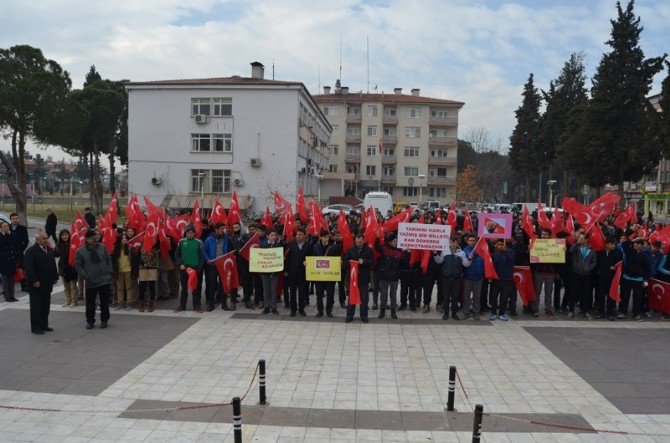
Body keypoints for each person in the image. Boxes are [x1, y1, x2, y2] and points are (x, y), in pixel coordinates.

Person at [75, 229, 113, 329]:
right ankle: (90, 321)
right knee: (90, 303)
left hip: (104, 279)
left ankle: (104, 320)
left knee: (104, 302)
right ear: (87, 239)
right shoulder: (80, 251)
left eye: (96, 237)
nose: (96, 239)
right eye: (93, 238)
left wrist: (109, 271)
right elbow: (78, 266)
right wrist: (86, 276)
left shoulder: (102, 247)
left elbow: (108, 259)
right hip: (91, 280)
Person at [23, 232, 59, 334]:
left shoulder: (49, 250)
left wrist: (55, 277)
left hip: (47, 283)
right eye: (43, 239)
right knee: (36, 307)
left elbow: (52, 264)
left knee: (45, 305)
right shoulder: (31, 251)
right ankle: (36, 327)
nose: (46, 240)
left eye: (46, 238)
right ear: (37, 240)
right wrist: (34, 280)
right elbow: (29, 268)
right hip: (36, 284)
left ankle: (44, 324)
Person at [434, 235, 472, 320]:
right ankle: (446, 313)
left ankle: (454, 313)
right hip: (446, 278)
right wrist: (435, 254)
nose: (453, 244)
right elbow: (439, 261)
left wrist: (469, 259)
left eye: (454, 242)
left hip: (456, 279)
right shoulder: (445, 251)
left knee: (455, 297)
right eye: (451, 242)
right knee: (446, 297)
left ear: (457, 243)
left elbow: (466, 264)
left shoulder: (461, 253)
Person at [375, 232, 407, 320]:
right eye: (394, 241)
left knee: (393, 296)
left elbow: (404, 261)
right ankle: (382, 311)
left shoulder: (400, 251)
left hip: (394, 278)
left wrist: (408, 251)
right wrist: (377, 238)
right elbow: (377, 247)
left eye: (396, 241)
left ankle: (393, 312)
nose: (395, 242)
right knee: (383, 296)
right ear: (389, 242)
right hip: (385, 277)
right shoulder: (385, 249)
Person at [343, 234, 375, 323]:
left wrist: (364, 262)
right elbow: (345, 262)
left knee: (364, 299)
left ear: (363, 241)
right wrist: (350, 262)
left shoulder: (369, 250)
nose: (359, 243)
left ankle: (364, 316)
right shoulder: (350, 250)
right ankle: (349, 316)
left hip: (363, 279)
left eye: (360, 242)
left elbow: (372, 262)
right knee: (351, 298)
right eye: (357, 242)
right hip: (353, 278)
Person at [311, 230, 342, 318]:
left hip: (330, 275)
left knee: (330, 294)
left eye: (327, 237)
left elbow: (338, 258)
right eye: (324, 237)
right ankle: (320, 311)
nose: (326, 239)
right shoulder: (315, 247)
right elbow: (312, 259)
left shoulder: (334, 247)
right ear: (320, 237)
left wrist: (340, 262)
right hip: (319, 275)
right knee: (319, 294)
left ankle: (329, 311)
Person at [175, 226, 205, 313]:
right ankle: (182, 306)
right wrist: (180, 264)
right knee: (184, 288)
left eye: (191, 233)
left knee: (196, 288)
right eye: (188, 233)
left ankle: (196, 306)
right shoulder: (181, 242)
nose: (190, 234)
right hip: (184, 269)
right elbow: (177, 255)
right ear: (186, 233)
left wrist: (199, 268)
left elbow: (201, 256)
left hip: (195, 269)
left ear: (194, 233)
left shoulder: (199, 242)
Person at [619, 238, 650, 321]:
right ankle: (623, 312)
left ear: (642, 246)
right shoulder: (629, 251)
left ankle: (636, 314)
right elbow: (624, 245)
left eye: (638, 244)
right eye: (635, 243)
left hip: (638, 279)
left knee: (637, 297)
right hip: (627, 277)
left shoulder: (644, 256)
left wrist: (646, 280)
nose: (636, 245)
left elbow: (647, 269)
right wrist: (632, 240)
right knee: (625, 296)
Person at [203, 222, 232, 311]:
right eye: (222, 229)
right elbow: (204, 251)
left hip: (223, 264)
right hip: (213, 264)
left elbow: (229, 250)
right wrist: (207, 259)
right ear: (216, 229)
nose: (223, 230)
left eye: (224, 229)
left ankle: (224, 303)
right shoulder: (209, 239)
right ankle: (211, 304)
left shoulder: (226, 238)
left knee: (223, 284)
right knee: (212, 284)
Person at [284, 228, 312, 317]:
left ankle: (301, 309)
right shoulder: (290, 245)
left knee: (302, 292)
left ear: (304, 236)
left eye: (300, 234)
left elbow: (311, 258)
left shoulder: (308, 245)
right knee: (292, 292)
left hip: (303, 273)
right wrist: (286, 270)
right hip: (292, 273)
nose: (298, 236)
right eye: (297, 234)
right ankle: (293, 310)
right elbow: (286, 259)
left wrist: (308, 262)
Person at [568, 233, 597, 319]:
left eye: (582, 238)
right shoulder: (576, 247)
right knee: (573, 292)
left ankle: (585, 311)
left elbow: (594, 262)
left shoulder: (591, 250)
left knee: (585, 293)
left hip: (586, 274)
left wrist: (588, 268)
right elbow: (570, 251)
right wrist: (577, 243)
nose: (581, 239)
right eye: (579, 238)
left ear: (586, 239)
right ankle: (571, 311)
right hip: (576, 273)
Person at [595, 236, 624, 320]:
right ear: (606, 244)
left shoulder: (618, 252)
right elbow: (597, 264)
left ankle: (610, 313)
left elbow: (619, 265)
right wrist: (607, 268)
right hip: (601, 277)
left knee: (611, 296)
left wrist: (615, 268)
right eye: (611, 244)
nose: (613, 246)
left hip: (612, 278)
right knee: (601, 295)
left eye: (614, 244)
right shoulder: (600, 253)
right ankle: (600, 312)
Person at [531, 230, 558, 318]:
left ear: (549, 236)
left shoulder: (555, 244)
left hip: (550, 273)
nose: (544, 236)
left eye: (546, 234)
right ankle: (535, 308)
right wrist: (530, 249)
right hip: (538, 272)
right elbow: (531, 258)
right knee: (537, 292)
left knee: (548, 293)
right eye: (542, 234)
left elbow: (558, 258)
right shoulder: (535, 244)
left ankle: (548, 309)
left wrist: (563, 249)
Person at [489, 239, 516, 321]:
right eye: (499, 244)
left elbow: (511, 261)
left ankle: (502, 313)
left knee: (504, 298)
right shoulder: (496, 254)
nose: (500, 246)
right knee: (494, 297)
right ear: (496, 245)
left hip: (507, 279)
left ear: (505, 245)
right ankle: (493, 313)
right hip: (496, 279)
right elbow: (493, 266)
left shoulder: (510, 252)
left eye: (501, 244)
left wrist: (506, 251)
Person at [112, 233, 138, 310]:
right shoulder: (115, 249)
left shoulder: (130, 248)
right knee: (120, 288)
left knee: (129, 287)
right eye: (123, 238)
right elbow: (113, 261)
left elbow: (133, 261)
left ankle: (129, 303)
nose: (124, 240)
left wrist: (134, 272)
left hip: (128, 270)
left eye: (125, 238)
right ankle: (120, 303)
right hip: (119, 271)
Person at [461, 234, 484, 320]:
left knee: (477, 297)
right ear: (467, 242)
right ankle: (466, 313)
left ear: (476, 241)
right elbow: (470, 255)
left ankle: (476, 313)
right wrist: (478, 249)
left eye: (473, 241)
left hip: (479, 277)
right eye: (470, 241)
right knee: (466, 297)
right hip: (468, 277)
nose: (472, 242)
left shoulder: (482, 250)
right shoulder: (465, 250)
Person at [54, 229, 79, 307]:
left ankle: (74, 301)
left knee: (73, 285)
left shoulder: (72, 243)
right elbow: (56, 254)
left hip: (71, 266)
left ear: (69, 234)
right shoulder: (59, 244)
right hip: (62, 267)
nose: (64, 236)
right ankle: (68, 301)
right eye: (62, 235)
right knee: (66, 286)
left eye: (66, 234)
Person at [260, 229, 282, 315]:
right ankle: (266, 307)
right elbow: (259, 257)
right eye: (271, 235)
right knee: (266, 290)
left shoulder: (279, 246)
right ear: (267, 236)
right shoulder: (262, 245)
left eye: (275, 235)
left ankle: (273, 307)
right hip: (265, 271)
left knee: (273, 290)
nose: (273, 237)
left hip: (274, 272)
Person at [0, 221, 20, 302]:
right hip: (3, 261)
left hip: (12, 260)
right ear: (1, 228)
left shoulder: (13, 234)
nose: (6, 227)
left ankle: (12, 296)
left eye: (7, 226)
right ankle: (7, 297)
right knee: (5, 279)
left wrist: (17, 258)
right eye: (4, 226)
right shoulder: (0, 236)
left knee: (11, 279)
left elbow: (16, 246)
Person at [137, 241, 159, 312]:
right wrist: (143, 263)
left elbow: (157, 257)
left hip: (152, 268)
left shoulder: (155, 247)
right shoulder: (141, 247)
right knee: (142, 287)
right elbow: (138, 258)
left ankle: (151, 304)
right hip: (143, 269)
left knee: (152, 287)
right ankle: (141, 304)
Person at [9, 213, 29, 291]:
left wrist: (21, 249)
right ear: (10, 219)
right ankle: (8, 288)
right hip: (10, 253)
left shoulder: (22, 228)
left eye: (16, 218)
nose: (15, 220)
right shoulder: (7, 228)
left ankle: (24, 286)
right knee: (10, 271)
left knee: (21, 269)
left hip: (19, 253)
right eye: (13, 218)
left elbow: (26, 240)